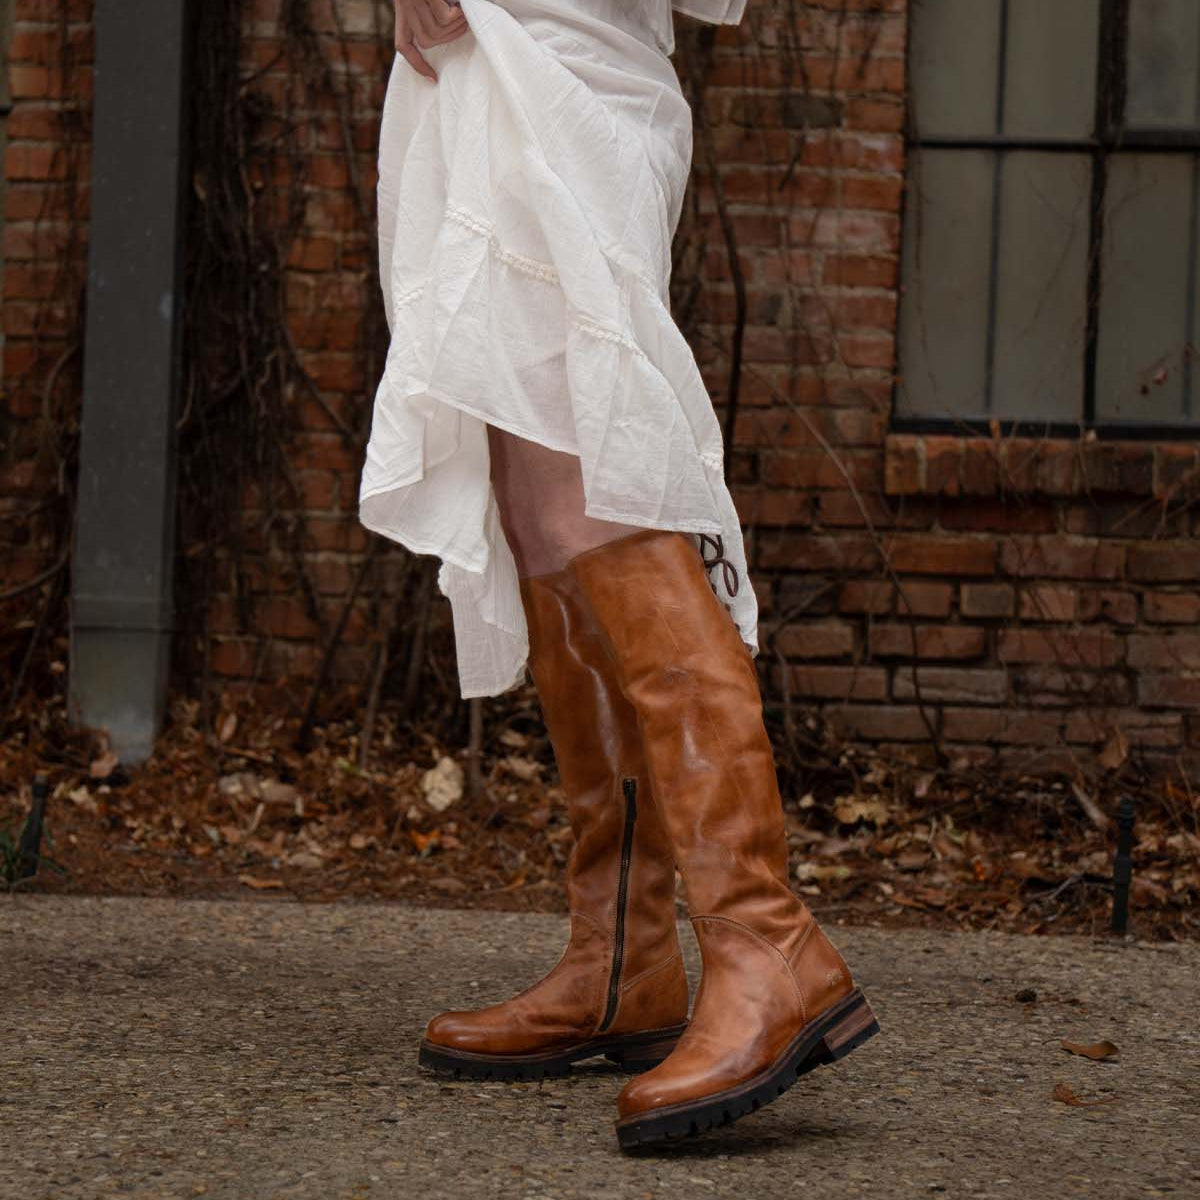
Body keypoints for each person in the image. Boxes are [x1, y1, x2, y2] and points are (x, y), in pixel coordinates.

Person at [358, 0, 878, 1150]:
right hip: (483, 71)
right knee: (541, 518)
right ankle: (623, 960)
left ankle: (762, 938)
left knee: (593, 482)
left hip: (559, 59)